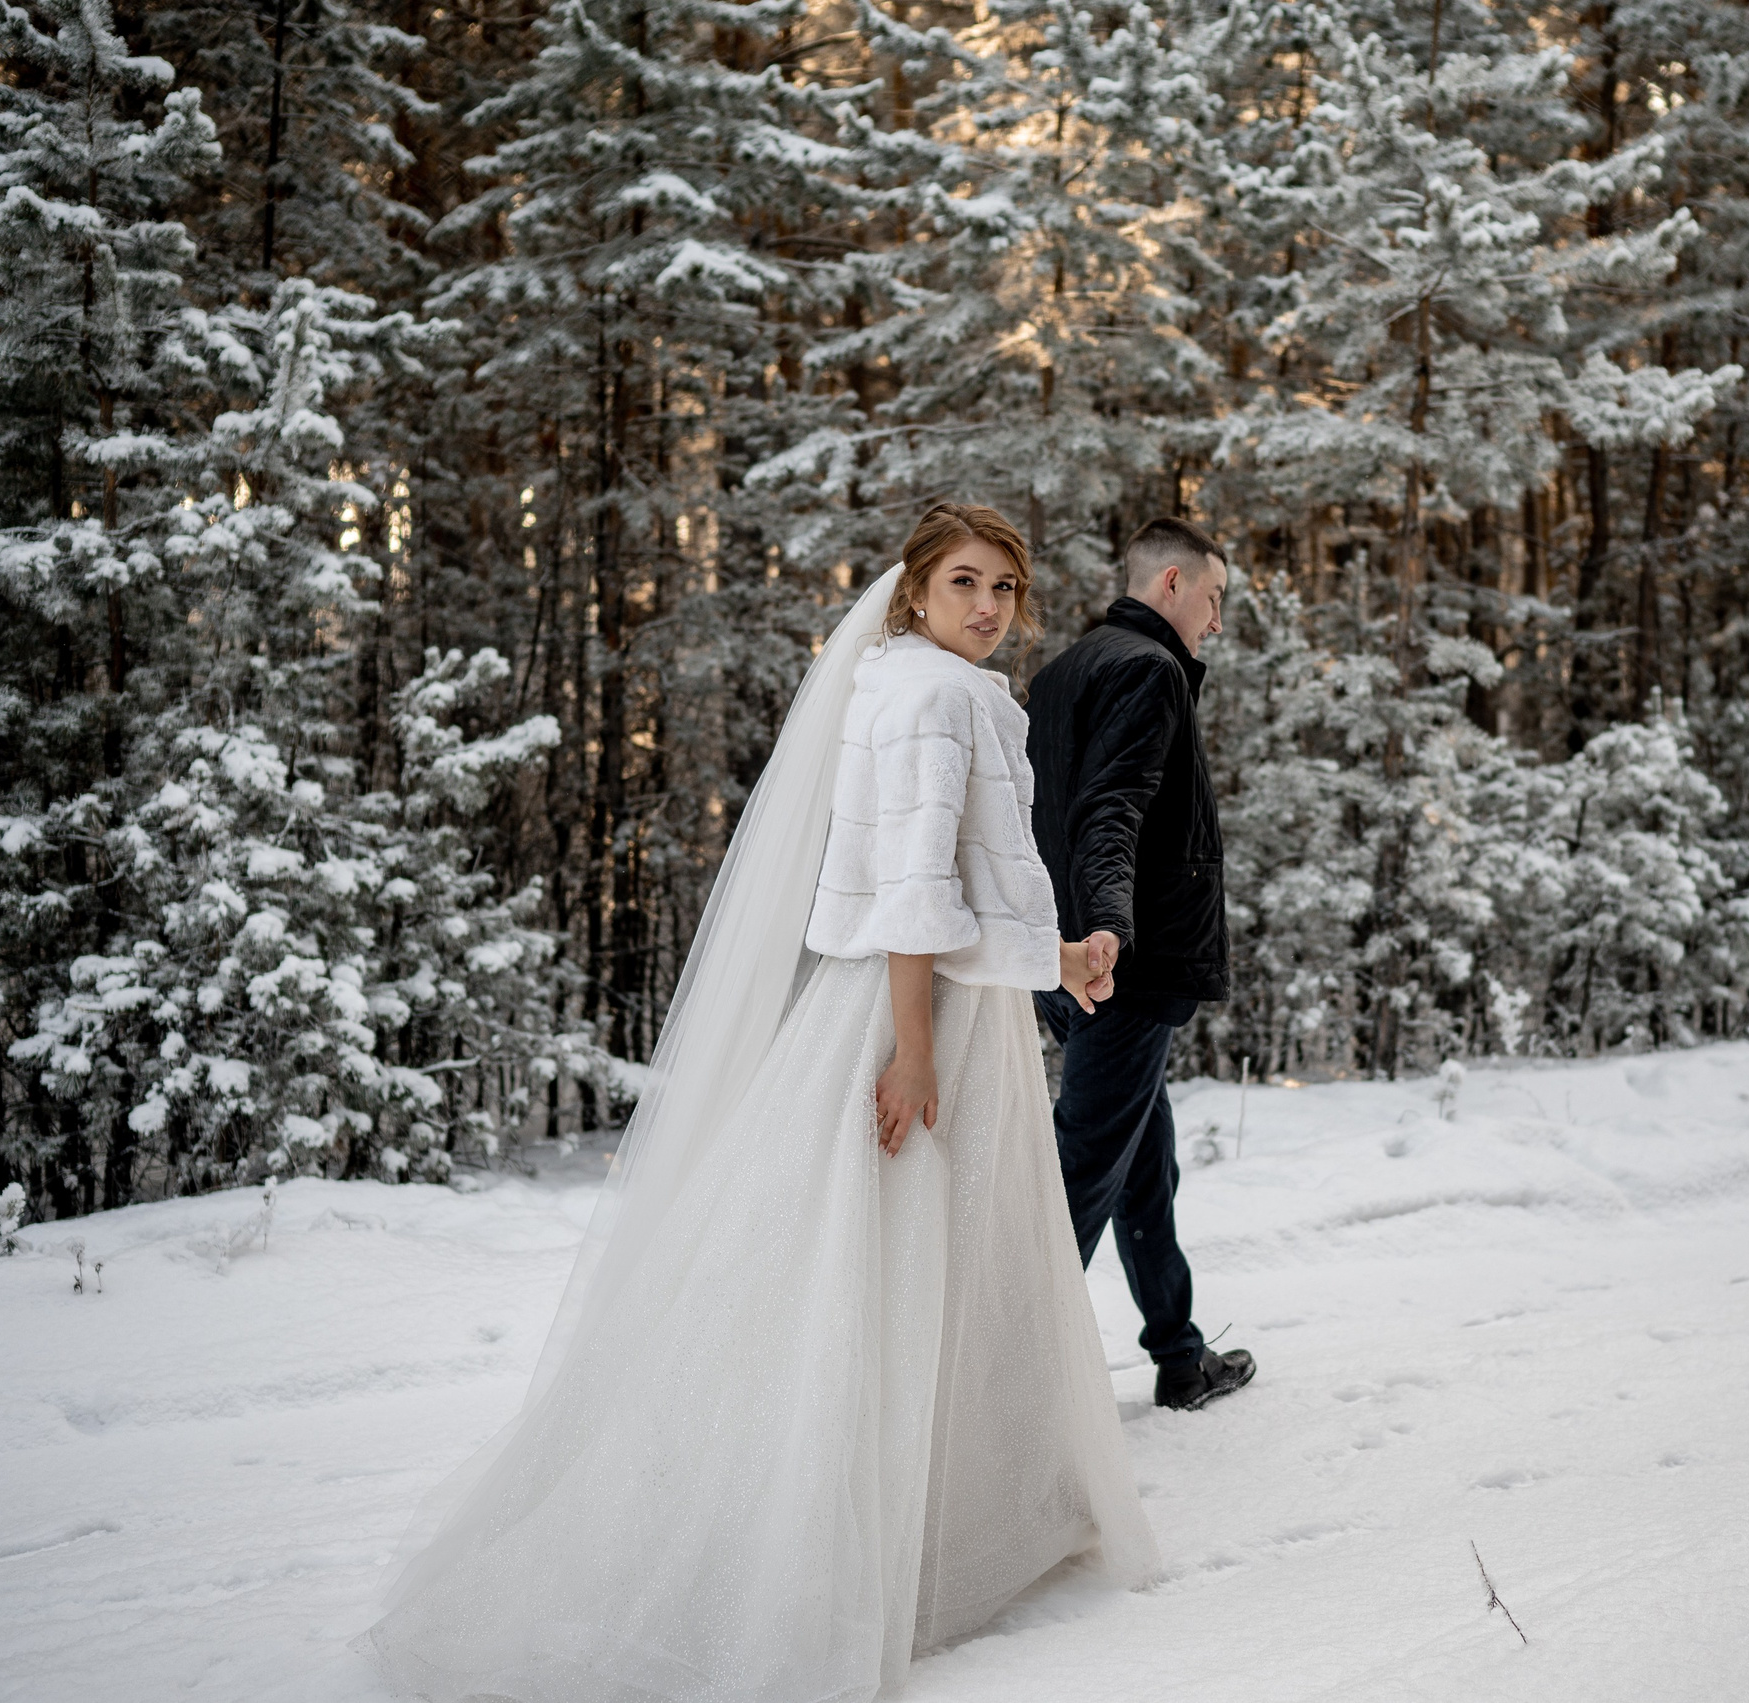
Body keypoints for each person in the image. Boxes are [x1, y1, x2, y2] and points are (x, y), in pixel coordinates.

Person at [362, 505, 1156, 1703]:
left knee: (889, 1276)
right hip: (913, 1018)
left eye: (1004, 584)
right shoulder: (938, 697)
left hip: (920, 1002)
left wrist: (1058, 960)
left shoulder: (906, 685)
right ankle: (870, 1548)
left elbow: (960, 890)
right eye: (962, 582)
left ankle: (930, 1517)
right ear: (913, 593)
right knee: (903, 1275)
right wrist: (911, 1052)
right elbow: (909, 899)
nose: (988, 606)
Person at [1025, 517, 1257, 1413]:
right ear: (1170, 583)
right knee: (1082, 1172)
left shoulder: (1063, 671)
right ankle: (1005, 1392)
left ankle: (1180, 1353)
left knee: (1142, 1164)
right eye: (1215, 597)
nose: (1218, 621)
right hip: (1120, 968)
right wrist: (1110, 931)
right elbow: (1108, 811)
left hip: (1070, 958)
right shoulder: (1150, 669)